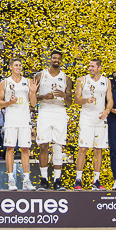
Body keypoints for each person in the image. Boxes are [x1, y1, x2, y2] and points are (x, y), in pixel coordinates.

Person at [0, 58, 38, 191]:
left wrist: (33, 92)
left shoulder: (28, 82)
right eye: (16, 65)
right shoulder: (5, 82)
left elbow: (33, 104)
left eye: (20, 65)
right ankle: (11, 179)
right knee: (10, 148)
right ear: (11, 67)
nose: (18, 67)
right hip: (11, 120)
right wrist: (9, 102)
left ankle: (26, 180)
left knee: (25, 149)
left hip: (24, 119)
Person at [34, 50, 73, 191]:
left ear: (61, 61)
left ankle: (57, 180)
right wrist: (43, 97)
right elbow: (31, 97)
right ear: (50, 59)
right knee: (43, 145)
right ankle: (44, 179)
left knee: (58, 146)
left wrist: (64, 95)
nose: (56, 60)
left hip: (59, 111)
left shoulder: (66, 78)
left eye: (58, 58)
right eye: (54, 58)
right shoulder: (40, 75)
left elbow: (70, 102)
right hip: (44, 111)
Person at [74, 58, 112, 190]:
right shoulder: (82, 80)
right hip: (86, 118)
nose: (90, 68)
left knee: (98, 149)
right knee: (83, 148)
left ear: (99, 68)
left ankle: (96, 180)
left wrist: (107, 111)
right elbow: (76, 99)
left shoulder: (106, 81)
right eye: (89, 66)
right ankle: (78, 179)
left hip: (100, 119)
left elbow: (110, 100)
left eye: (93, 66)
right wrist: (85, 100)